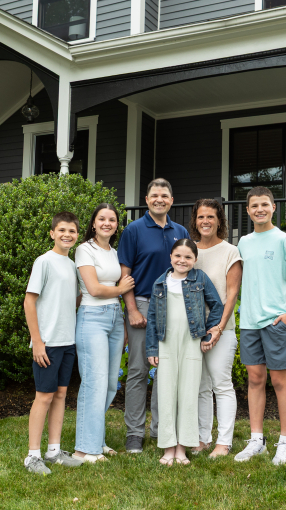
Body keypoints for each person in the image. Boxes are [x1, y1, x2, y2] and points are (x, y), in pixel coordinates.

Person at [233, 187, 286, 466]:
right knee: (255, 380)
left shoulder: (283, 240)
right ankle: (257, 440)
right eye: (254, 205)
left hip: (276, 322)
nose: (259, 209)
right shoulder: (243, 242)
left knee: (280, 381)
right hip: (249, 323)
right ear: (248, 210)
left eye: (264, 204)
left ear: (273, 207)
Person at [117, 178, 190, 454]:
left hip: (173, 306)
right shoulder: (133, 230)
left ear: (171, 200)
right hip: (143, 304)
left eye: (165, 195)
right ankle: (135, 433)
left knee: (167, 370)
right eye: (154, 195)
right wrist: (132, 309)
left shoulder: (180, 231)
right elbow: (125, 275)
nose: (160, 199)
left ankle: (161, 430)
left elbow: (186, 270)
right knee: (138, 369)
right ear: (147, 200)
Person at [145, 239, 224, 465]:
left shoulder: (200, 279)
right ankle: (168, 447)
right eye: (178, 256)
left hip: (191, 341)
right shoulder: (160, 283)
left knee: (189, 394)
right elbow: (152, 317)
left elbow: (216, 304)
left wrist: (209, 333)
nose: (182, 260)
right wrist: (152, 348)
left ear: (195, 260)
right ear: (170, 257)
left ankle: (182, 447)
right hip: (166, 342)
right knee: (167, 393)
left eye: (188, 257)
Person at [22, 211, 85, 475]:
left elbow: (75, 298)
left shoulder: (72, 265)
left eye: (71, 231)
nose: (67, 235)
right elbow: (29, 301)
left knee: (60, 395)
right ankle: (32, 456)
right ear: (52, 233)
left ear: (77, 235)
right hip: (47, 342)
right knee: (44, 396)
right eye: (62, 230)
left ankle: (54, 451)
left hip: (67, 341)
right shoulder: (44, 262)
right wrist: (37, 341)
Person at [73, 203, 135, 463]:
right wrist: (121, 289)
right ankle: (84, 450)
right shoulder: (84, 249)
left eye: (112, 219)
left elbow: (111, 289)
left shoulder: (115, 252)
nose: (107, 223)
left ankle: (96, 439)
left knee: (109, 383)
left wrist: (122, 319)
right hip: (92, 318)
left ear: (116, 225)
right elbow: (94, 289)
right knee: (93, 382)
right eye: (102, 219)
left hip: (114, 317)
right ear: (94, 223)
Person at [189, 199, 242, 459]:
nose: (205, 221)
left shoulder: (230, 251)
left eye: (211, 216)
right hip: (194, 330)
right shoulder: (190, 251)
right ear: (195, 221)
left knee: (221, 384)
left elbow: (231, 294)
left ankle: (224, 442)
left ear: (219, 220)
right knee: (200, 386)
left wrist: (219, 328)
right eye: (201, 217)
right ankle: (202, 438)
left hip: (221, 328)